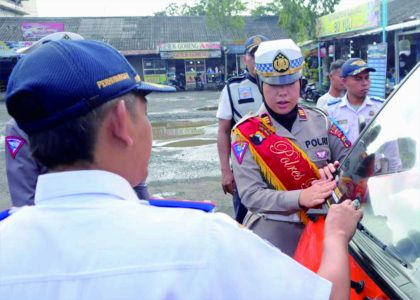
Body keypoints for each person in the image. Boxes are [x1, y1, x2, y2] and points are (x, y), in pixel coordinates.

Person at [0, 39, 362, 300]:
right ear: (122, 124)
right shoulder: (204, 240)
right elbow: (326, 294)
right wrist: (334, 238)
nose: (283, 91)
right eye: (146, 109)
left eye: (289, 83)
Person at [231, 39, 352, 256]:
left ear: (300, 84)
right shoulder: (245, 133)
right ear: (261, 85)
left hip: (326, 228)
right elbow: (251, 195)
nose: (283, 93)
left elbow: (351, 163)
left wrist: (335, 173)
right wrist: (299, 197)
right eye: (274, 85)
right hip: (274, 234)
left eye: (289, 84)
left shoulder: (320, 120)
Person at [4, 32, 150, 207]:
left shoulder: (103, 107)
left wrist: (145, 206)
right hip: (55, 212)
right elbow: (23, 188)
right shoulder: (20, 126)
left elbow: (134, 174)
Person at [216, 35, 268, 223]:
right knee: (243, 223)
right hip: (245, 171)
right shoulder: (233, 88)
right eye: (253, 55)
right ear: (245, 59)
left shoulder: (283, 84)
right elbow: (223, 131)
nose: (257, 59)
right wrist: (225, 171)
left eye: (262, 54)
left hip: (280, 167)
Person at [326, 57, 384, 144]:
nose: (364, 83)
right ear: (344, 81)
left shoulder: (380, 107)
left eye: (367, 78)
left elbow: (389, 145)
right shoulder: (331, 111)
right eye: (358, 79)